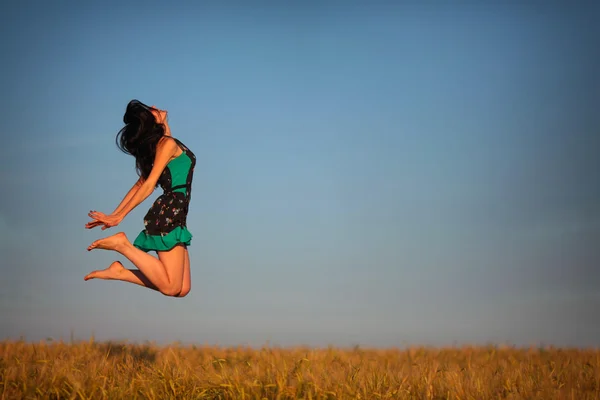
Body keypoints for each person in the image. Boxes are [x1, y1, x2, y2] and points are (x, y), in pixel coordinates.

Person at [84, 100, 196, 297]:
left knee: (182, 289)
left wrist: (116, 214)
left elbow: (140, 183)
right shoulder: (167, 145)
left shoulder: (165, 143)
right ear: (151, 122)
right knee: (170, 287)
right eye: (151, 111)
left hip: (176, 214)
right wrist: (118, 217)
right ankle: (122, 245)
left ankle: (120, 272)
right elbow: (147, 185)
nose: (154, 107)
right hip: (168, 214)